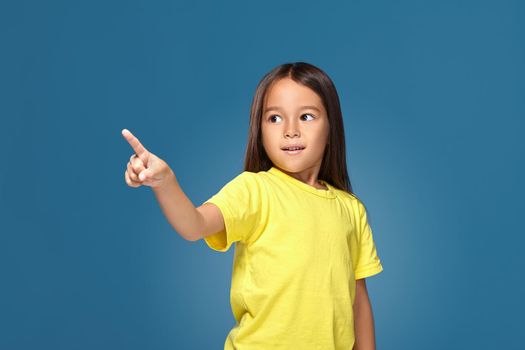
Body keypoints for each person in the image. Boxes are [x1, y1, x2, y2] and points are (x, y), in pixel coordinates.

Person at [121, 62, 384, 350]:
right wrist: (165, 182)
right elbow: (194, 225)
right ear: (259, 128)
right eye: (274, 118)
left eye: (306, 116)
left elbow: (358, 301)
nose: (290, 131)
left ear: (331, 125)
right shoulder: (255, 190)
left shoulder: (351, 209)